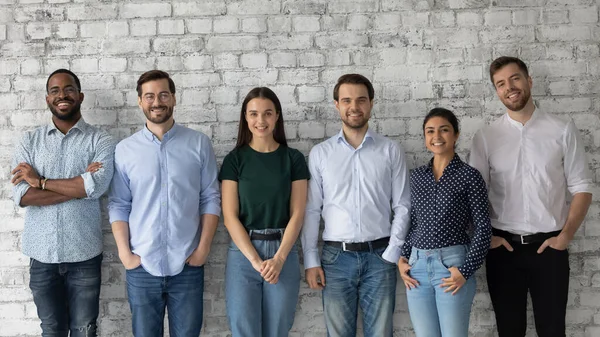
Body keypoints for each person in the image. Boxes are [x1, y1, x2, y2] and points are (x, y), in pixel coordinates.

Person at [469, 56, 593, 337]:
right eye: (500, 84)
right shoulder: (486, 137)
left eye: (514, 78)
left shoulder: (561, 130)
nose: (509, 87)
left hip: (550, 249)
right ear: (497, 91)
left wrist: (565, 237)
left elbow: (583, 186)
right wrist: (486, 237)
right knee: (509, 331)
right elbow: (473, 194)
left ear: (529, 81)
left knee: (552, 331)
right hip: (503, 250)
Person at [108, 70, 221, 337]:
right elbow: (119, 204)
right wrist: (125, 254)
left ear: (173, 98)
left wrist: (203, 249)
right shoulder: (125, 150)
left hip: (187, 264)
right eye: (149, 96)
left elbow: (210, 198)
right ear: (139, 101)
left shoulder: (198, 143)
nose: (156, 102)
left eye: (163, 95)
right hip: (142, 265)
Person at [301, 74, 411, 337]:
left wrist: (393, 252)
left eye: (361, 99)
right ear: (336, 104)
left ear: (371, 103)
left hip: (380, 256)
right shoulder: (321, 154)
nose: (354, 106)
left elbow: (403, 205)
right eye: (347, 100)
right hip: (336, 259)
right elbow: (312, 210)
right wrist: (311, 259)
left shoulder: (390, 150)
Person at [11, 69, 114, 336]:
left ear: (80, 96)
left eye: (68, 89)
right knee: (51, 330)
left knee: (84, 329)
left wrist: (42, 182)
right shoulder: (29, 142)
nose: (62, 95)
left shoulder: (100, 140)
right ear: (47, 99)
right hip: (42, 255)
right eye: (55, 90)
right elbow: (23, 196)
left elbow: (98, 186)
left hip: (84, 254)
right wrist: (81, 186)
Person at [219, 87, 309, 337]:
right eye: (254, 114)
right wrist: (256, 261)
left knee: (278, 330)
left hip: (283, 250)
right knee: (244, 330)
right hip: (244, 255)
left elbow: (298, 213)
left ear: (277, 116)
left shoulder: (293, 159)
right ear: (245, 118)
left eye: (267, 113)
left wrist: (278, 259)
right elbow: (229, 216)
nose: (261, 121)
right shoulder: (234, 160)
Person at [398, 108, 492, 337]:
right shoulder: (417, 176)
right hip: (417, 268)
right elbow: (415, 223)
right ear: (424, 137)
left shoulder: (469, 176)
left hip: (452, 266)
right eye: (430, 131)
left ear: (456, 135)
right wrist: (403, 257)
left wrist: (466, 270)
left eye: (444, 130)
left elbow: (483, 228)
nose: (436, 136)